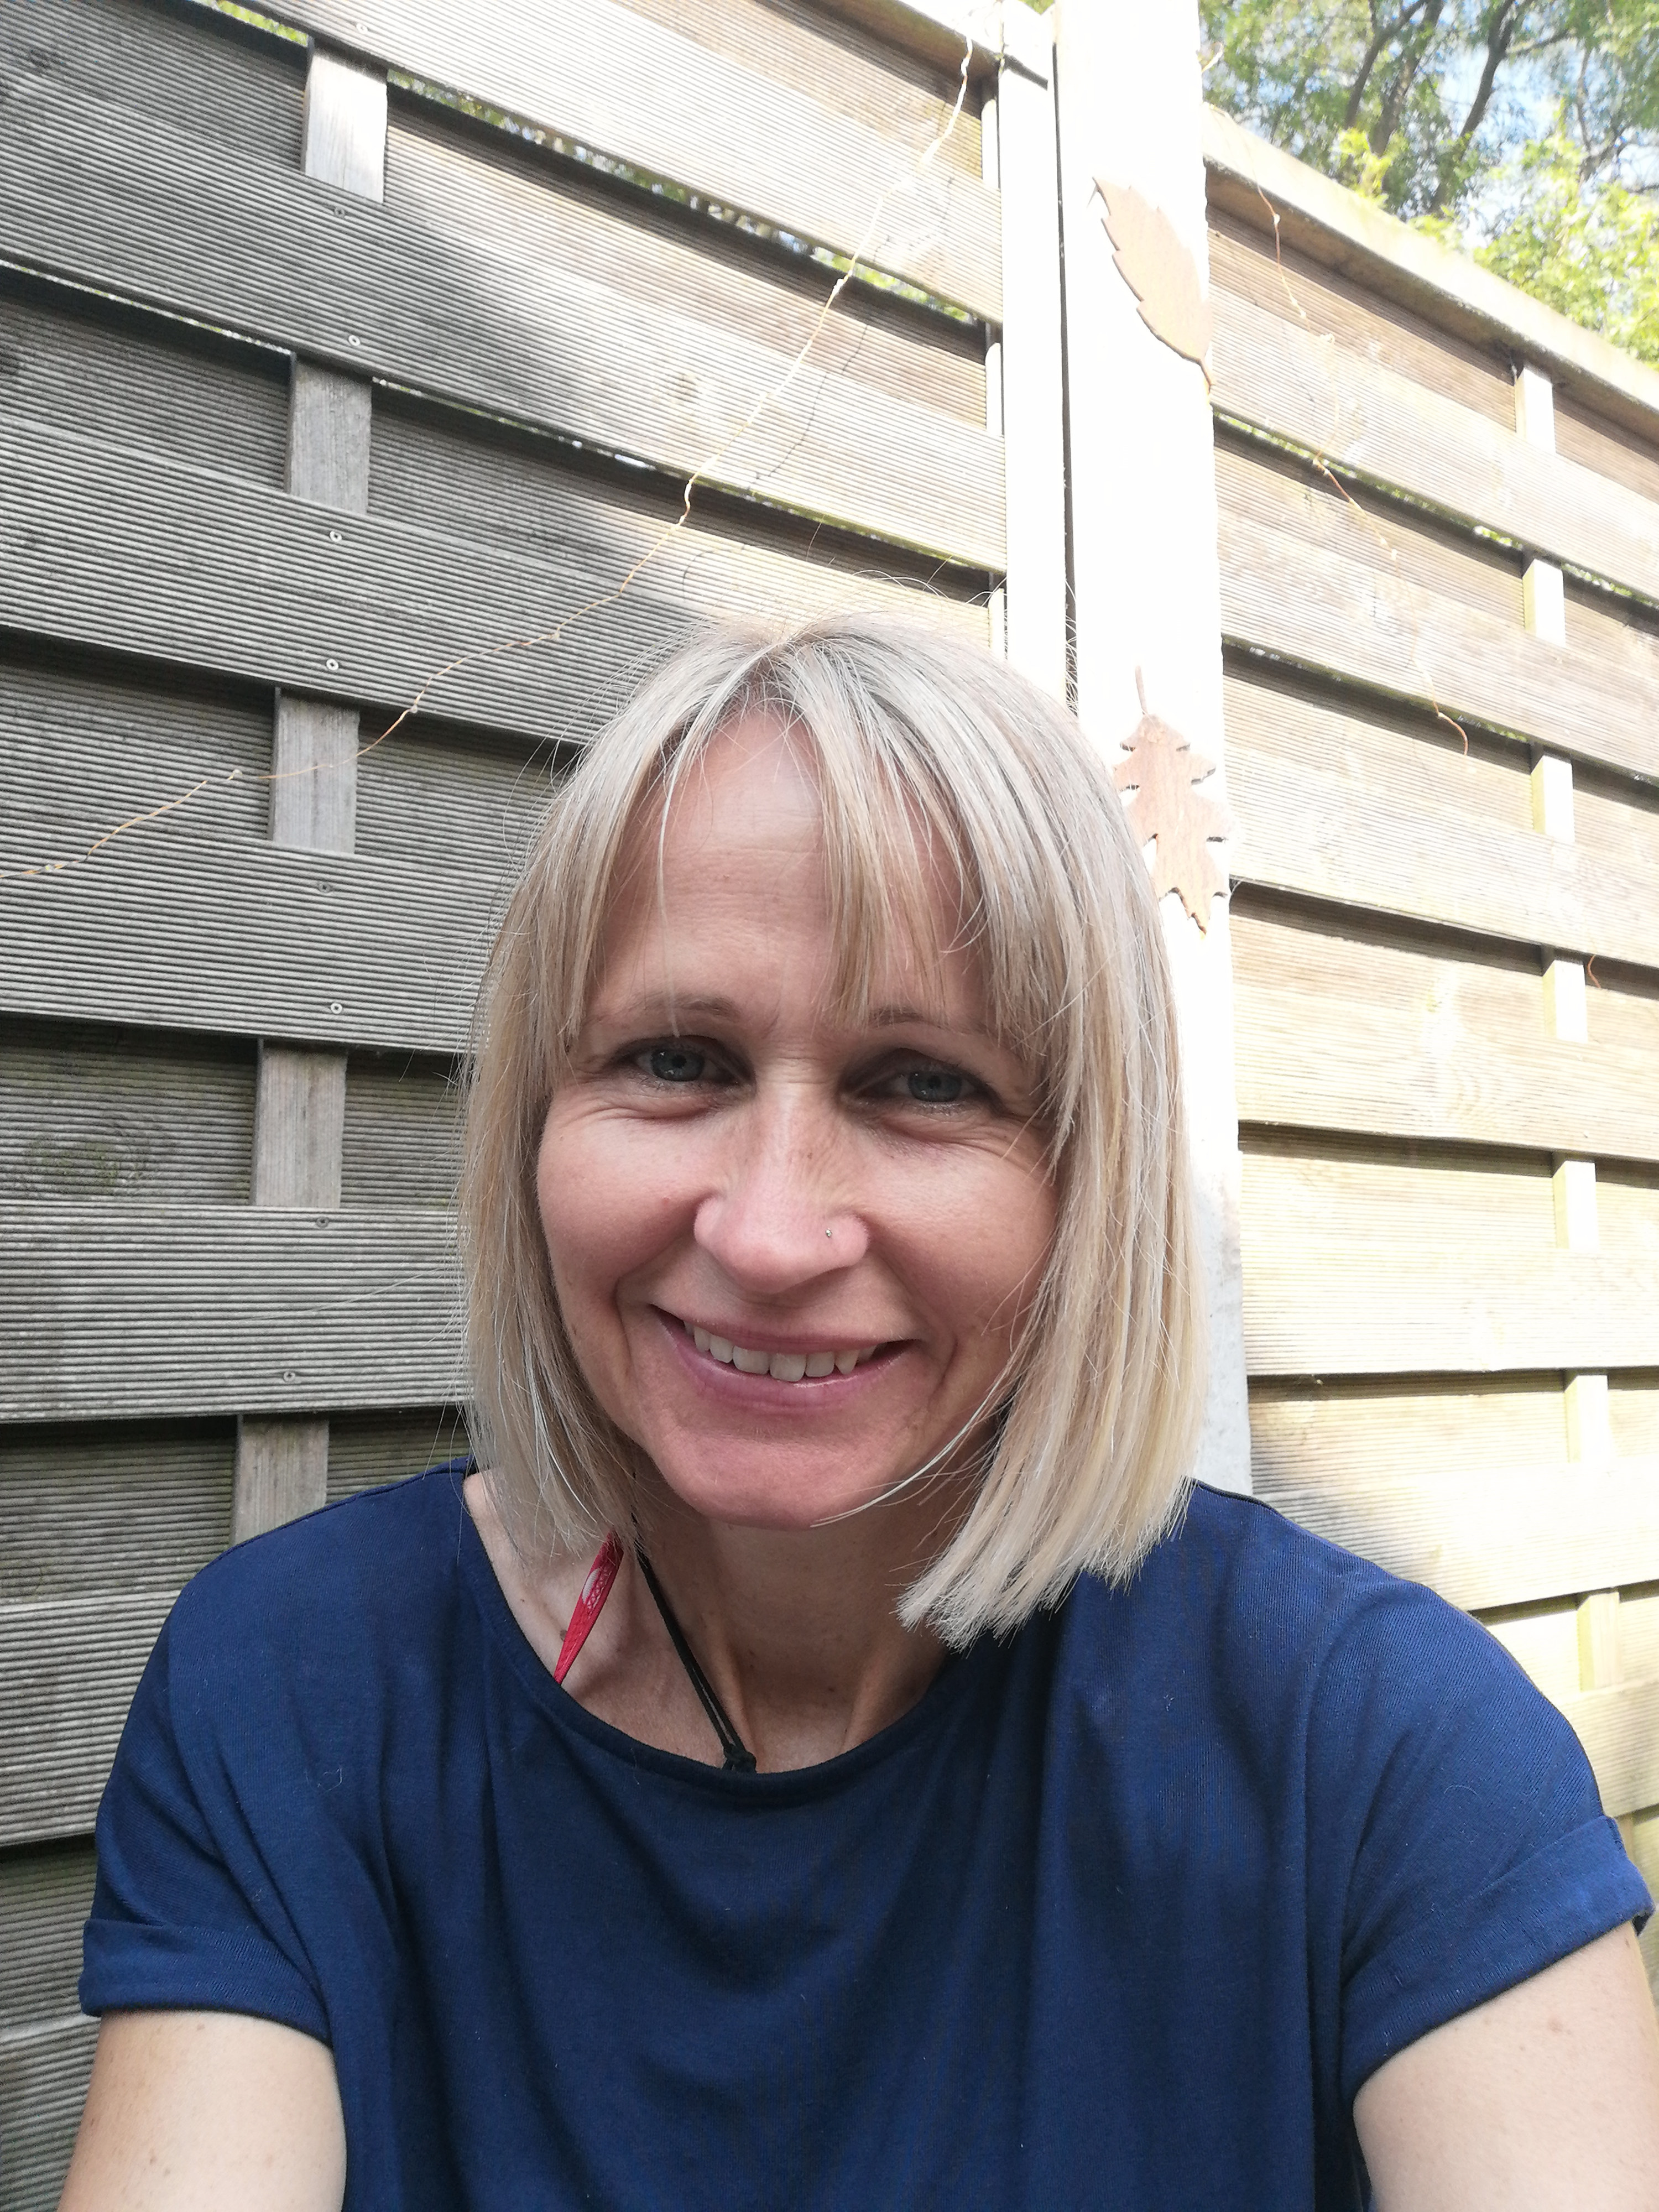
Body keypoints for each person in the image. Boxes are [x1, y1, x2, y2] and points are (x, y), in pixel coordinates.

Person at [63, 620, 1659, 2210]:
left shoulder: (1381, 1757)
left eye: (924, 1083)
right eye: (676, 1059)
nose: (769, 1234)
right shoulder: (293, 1693)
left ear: (1089, 1180)